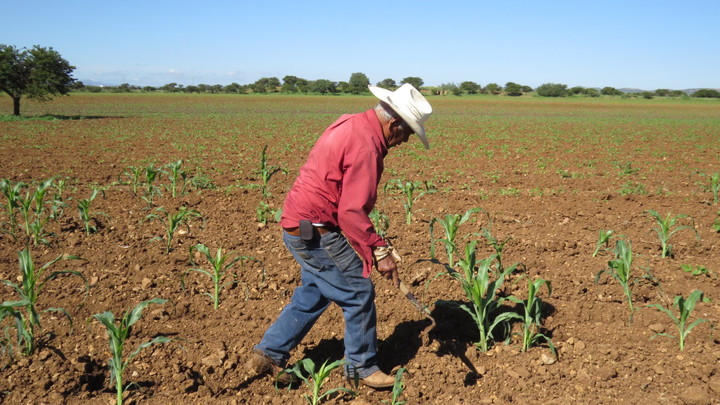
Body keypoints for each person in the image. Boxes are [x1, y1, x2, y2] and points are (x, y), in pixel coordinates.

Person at [246, 83, 433, 389]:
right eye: (408, 132)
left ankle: (269, 353)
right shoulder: (367, 146)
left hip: (298, 223)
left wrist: (373, 244)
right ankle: (361, 366)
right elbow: (350, 212)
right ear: (394, 123)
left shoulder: (352, 122)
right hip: (316, 230)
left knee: (315, 291)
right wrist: (379, 251)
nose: (406, 140)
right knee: (358, 292)